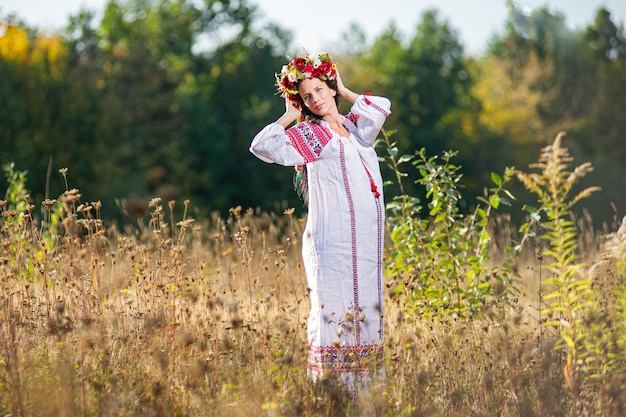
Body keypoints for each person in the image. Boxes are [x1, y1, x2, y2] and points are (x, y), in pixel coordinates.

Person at [249, 52, 391, 396]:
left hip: (364, 247)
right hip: (334, 242)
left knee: (367, 311)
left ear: (329, 85)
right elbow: (262, 146)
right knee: (334, 311)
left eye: (319, 90)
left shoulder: (356, 131)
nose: (315, 99)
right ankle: (332, 393)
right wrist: (289, 115)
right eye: (307, 96)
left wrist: (343, 90)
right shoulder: (312, 136)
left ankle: (366, 395)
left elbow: (380, 106)